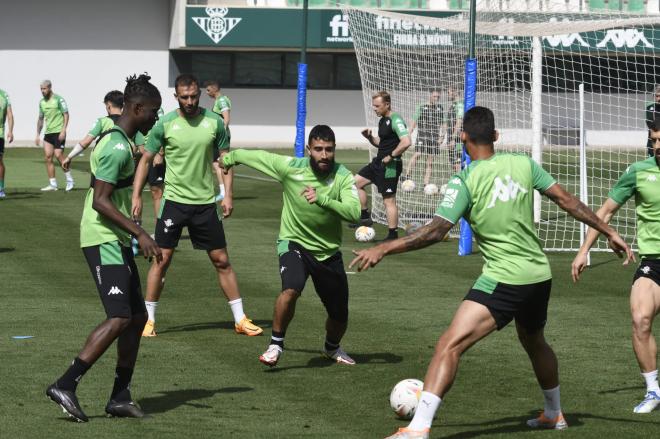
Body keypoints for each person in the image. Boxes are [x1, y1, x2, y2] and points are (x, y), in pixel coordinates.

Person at [350, 106, 634, 439]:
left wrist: (384, 247)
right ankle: (554, 414)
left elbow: (435, 231)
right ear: (495, 136)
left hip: (505, 278)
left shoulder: (466, 180)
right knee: (533, 339)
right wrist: (609, 230)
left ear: (462, 137)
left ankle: (418, 428)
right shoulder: (523, 164)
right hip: (539, 276)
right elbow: (567, 200)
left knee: (448, 346)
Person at [46, 74, 163, 422]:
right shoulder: (114, 146)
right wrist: (141, 234)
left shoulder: (125, 141)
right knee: (120, 316)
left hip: (116, 237)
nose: (155, 118)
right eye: (153, 112)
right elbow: (100, 201)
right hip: (102, 237)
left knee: (137, 317)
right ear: (137, 108)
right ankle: (66, 384)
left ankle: (119, 396)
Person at [132, 74, 262, 338]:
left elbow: (226, 160)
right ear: (176, 97)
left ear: (199, 95)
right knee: (162, 259)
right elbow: (146, 159)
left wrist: (228, 195)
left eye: (193, 96)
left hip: (205, 204)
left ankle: (240, 319)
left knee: (221, 260)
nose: (189, 101)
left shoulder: (214, 123)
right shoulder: (165, 124)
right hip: (174, 203)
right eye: (184, 97)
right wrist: (136, 196)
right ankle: (149, 320)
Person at [220, 125, 361, 367]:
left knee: (339, 314)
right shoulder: (291, 168)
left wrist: (323, 200)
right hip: (293, 242)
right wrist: (230, 158)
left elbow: (354, 212)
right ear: (309, 150)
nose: (324, 155)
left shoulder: (343, 176)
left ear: (335, 149)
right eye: (318, 149)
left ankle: (332, 348)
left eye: (328, 149)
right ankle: (276, 344)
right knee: (291, 289)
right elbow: (259, 157)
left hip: (327, 251)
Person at [572, 118, 660, 414]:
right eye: (654, 140)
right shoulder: (638, 172)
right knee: (640, 318)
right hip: (654, 263)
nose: (657, 146)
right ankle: (653, 391)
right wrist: (584, 250)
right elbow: (605, 211)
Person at [356, 91, 412, 240]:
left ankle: (392, 234)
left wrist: (392, 155)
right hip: (378, 163)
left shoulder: (396, 119)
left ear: (387, 104)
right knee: (355, 183)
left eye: (377, 106)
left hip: (390, 166)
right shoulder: (382, 120)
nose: (374, 108)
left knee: (388, 200)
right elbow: (382, 143)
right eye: (373, 105)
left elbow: (406, 141)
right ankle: (365, 217)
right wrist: (370, 138)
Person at [61, 90, 125, 171]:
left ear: (108, 105)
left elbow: (86, 142)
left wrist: (69, 157)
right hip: (124, 163)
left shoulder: (102, 121)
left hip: (104, 163)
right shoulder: (130, 122)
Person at [402, 90, 445, 192]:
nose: (436, 99)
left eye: (438, 97)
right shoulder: (421, 107)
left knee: (430, 162)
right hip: (422, 136)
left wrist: (442, 136)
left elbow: (443, 123)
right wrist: (409, 134)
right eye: (434, 96)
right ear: (430, 96)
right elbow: (414, 121)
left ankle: (426, 184)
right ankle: (407, 176)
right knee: (417, 154)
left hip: (434, 137)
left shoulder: (440, 108)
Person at [36, 80, 75, 191]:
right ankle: (53, 184)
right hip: (48, 133)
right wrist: (37, 134)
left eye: (44, 89)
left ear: (50, 87)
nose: (42, 91)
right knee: (48, 157)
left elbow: (66, 114)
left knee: (58, 155)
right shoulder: (42, 102)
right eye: (41, 89)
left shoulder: (59, 99)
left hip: (58, 132)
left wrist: (63, 130)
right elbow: (40, 118)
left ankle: (70, 180)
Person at [205, 80, 232, 202]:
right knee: (216, 164)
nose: (206, 92)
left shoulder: (221, 100)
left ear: (214, 89)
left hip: (221, 138)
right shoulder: (219, 100)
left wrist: (221, 135)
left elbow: (226, 119)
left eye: (208, 90)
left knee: (222, 163)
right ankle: (223, 192)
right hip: (218, 136)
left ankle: (226, 193)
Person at [446, 87, 464, 171]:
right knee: (453, 163)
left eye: (448, 92)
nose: (448, 94)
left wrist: (453, 138)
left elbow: (459, 121)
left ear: (455, 92)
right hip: (451, 139)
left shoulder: (460, 104)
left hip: (457, 139)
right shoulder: (452, 105)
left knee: (458, 163)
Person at [0, 88, 14, 198]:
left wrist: (10, 130)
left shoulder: (4, 95)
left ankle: (1, 189)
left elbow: (9, 114)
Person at [645, 85, 660, 157]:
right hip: (652, 141)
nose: (659, 98)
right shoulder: (649, 107)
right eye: (657, 96)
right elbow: (650, 123)